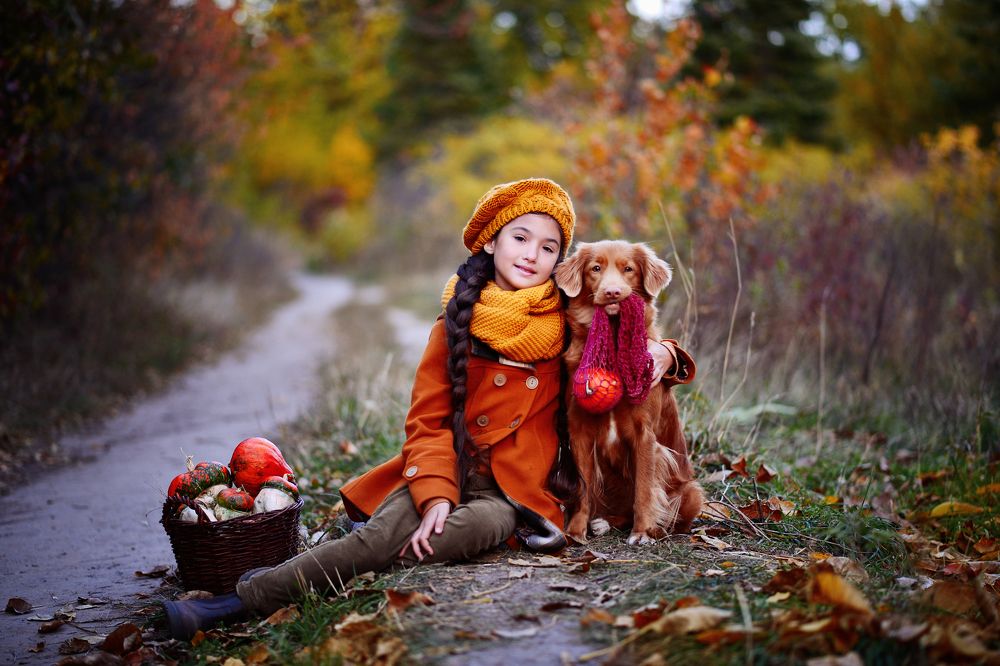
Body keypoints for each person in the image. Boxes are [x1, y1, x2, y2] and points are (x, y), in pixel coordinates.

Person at [163, 178, 689, 639]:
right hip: (448, 467)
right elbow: (428, 422)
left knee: (427, 543)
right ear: (494, 241)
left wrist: (668, 354)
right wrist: (436, 494)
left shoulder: (570, 321)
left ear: (560, 261)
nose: (532, 254)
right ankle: (234, 603)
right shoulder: (455, 323)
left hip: (512, 495)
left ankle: (299, 574)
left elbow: (632, 344)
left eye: (549, 247)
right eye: (520, 237)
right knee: (382, 536)